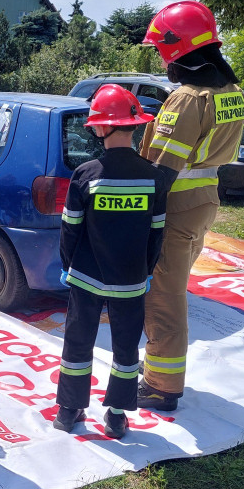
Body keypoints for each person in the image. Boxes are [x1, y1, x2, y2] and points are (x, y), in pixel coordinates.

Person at [137, 1, 244, 411]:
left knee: (164, 296)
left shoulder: (187, 98)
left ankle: (161, 386)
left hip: (175, 205)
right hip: (204, 201)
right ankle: (161, 376)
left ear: (174, 47)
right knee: (174, 288)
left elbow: (163, 169)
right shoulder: (232, 93)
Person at [53, 85, 168, 439]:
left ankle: (70, 409)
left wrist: (67, 265)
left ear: (102, 128)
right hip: (131, 280)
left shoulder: (86, 174)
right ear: (135, 125)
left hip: (86, 276)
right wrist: (146, 272)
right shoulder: (155, 177)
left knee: (77, 342)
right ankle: (117, 415)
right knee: (125, 347)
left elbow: (70, 229)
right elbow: (156, 233)